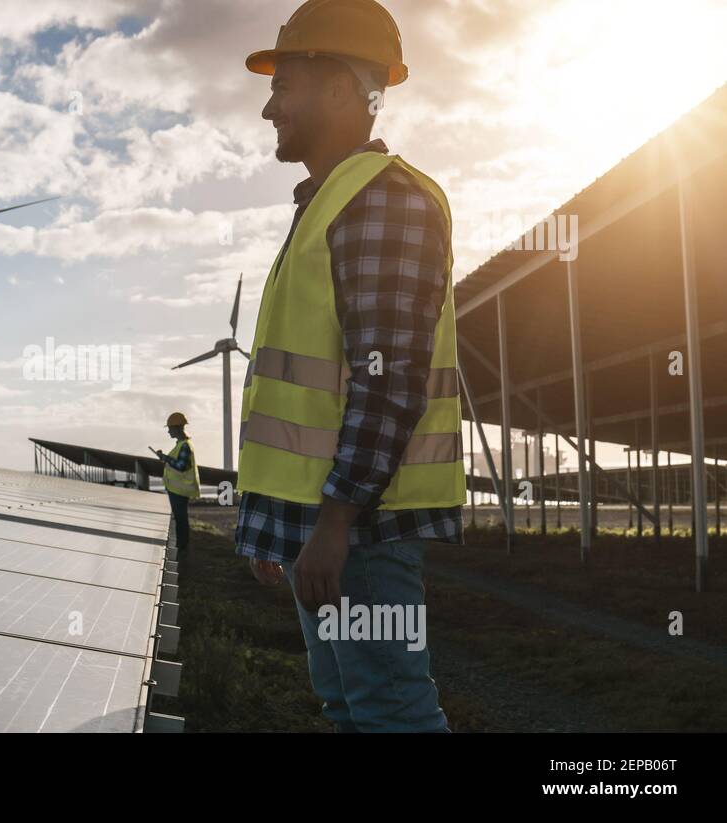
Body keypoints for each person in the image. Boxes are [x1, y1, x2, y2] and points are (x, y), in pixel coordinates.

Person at [235, 0, 465, 732]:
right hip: (325, 526)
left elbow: (389, 376)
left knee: (390, 711)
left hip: (359, 528)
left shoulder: (384, 202)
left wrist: (333, 522)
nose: (270, 107)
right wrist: (278, 527)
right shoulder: (331, 202)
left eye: (283, 83)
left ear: (339, 88)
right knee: (352, 708)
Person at [156, 412, 200, 556]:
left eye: (170, 428)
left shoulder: (185, 446)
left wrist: (166, 459)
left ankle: (182, 547)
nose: (168, 431)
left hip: (180, 490)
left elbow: (181, 466)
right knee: (180, 517)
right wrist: (165, 458)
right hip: (177, 489)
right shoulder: (181, 445)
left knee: (181, 518)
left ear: (177, 428)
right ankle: (182, 546)